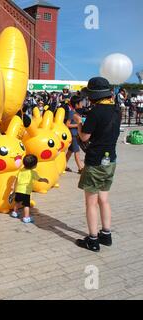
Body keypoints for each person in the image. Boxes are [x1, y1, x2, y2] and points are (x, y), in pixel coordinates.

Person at [75, 77, 121, 252]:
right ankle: (106, 234)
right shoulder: (116, 110)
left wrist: (79, 124)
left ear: (93, 95)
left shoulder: (96, 112)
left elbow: (85, 137)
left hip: (95, 162)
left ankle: (92, 239)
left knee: (91, 203)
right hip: (111, 160)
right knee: (104, 199)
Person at [10, 155, 48, 223]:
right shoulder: (33, 172)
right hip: (26, 191)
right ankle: (26, 217)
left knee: (17, 202)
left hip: (18, 189)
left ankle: (14, 213)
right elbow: (39, 179)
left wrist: (13, 185)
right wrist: (44, 180)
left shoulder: (21, 170)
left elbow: (16, 177)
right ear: (34, 165)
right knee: (26, 205)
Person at [65, 95, 84, 173]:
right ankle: (80, 168)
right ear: (76, 104)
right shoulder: (72, 112)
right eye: (81, 103)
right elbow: (67, 124)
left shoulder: (76, 112)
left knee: (70, 151)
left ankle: (64, 165)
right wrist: (78, 125)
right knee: (77, 151)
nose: (82, 104)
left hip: (76, 134)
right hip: (73, 135)